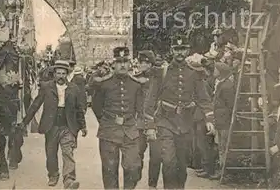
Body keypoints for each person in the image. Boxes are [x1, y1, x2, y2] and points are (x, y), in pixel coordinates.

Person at [144, 36, 215, 189]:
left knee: (182, 164)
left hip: (186, 123)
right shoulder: (161, 72)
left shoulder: (194, 73)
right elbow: (150, 100)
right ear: (172, 50)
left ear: (187, 50)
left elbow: (204, 98)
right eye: (176, 49)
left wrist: (210, 119)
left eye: (183, 49)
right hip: (165, 121)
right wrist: (150, 125)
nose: (180, 53)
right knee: (168, 161)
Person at [20, 59, 87, 189]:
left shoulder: (74, 88)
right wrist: (25, 122)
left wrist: (83, 126)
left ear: (67, 74)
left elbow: (79, 108)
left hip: (68, 126)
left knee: (68, 152)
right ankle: (53, 174)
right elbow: (35, 105)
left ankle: (69, 179)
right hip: (51, 125)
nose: (61, 76)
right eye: (58, 73)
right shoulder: (46, 87)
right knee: (51, 153)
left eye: (63, 73)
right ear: (54, 74)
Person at [91, 47, 144, 189]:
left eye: (125, 61)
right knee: (109, 169)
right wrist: (106, 121)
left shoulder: (136, 84)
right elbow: (96, 106)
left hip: (130, 131)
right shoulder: (104, 83)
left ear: (130, 64)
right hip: (109, 131)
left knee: (133, 167)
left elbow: (140, 108)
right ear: (113, 64)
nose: (122, 65)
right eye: (119, 62)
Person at [131, 50, 163, 189]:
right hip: (139, 122)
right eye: (141, 62)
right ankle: (135, 177)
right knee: (137, 153)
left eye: (146, 62)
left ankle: (152, 185)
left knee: (156, 156)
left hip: (156, 122)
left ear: (151, 63)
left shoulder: (159, 78)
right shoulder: (136, 79)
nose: (143, 64)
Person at [212, 62, 236, 177]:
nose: (214, 71)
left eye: (215, 69)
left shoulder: (226, 86)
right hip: (220, 120)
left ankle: (225, 172)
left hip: (224, 121)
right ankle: (222, 171)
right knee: (220, 146)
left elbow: (230, 105)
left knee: (224, 147)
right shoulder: (221, 84)